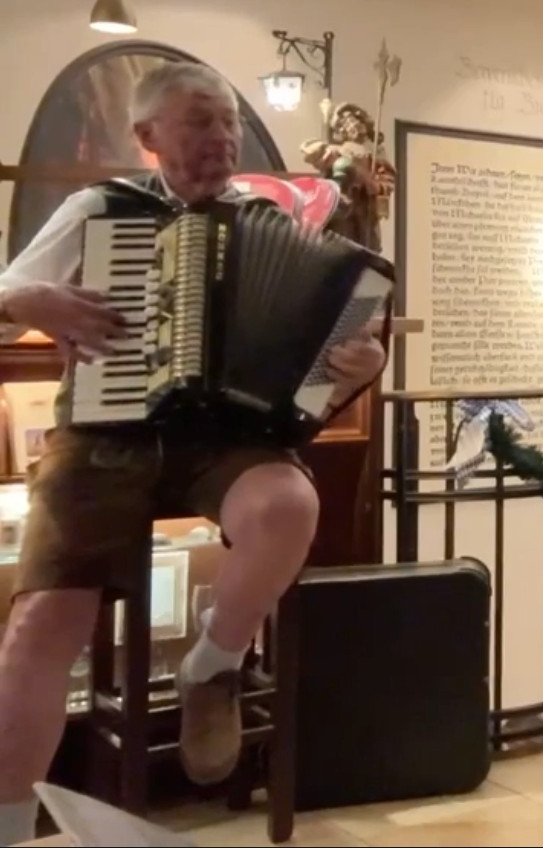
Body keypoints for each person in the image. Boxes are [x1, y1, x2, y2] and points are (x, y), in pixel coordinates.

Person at [0, 61, 388, 845]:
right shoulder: (102, 209)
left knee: (288, 504)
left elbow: (327, 359)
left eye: (227, 122)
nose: (221, 138)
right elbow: (9, 299)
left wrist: (362, 363)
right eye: (198, 122)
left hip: (226, 437)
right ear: (148, 135)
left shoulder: (269, 222)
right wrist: (27, 298)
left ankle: (214, 658)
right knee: (42, 622)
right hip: (107, 438)